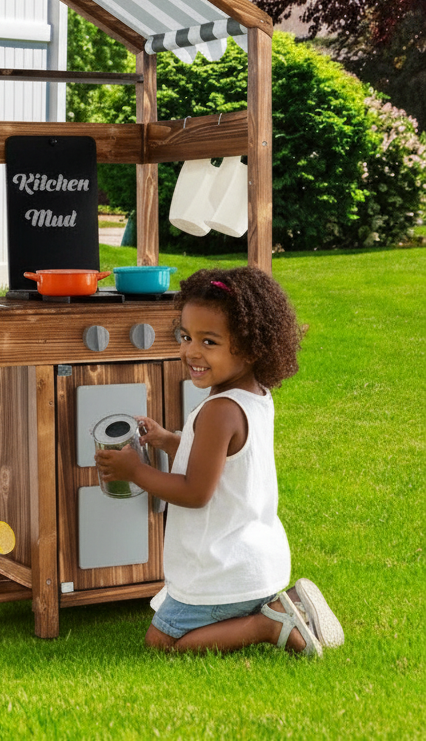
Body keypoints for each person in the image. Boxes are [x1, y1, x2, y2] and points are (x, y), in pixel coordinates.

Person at [95, 267, 344, 657]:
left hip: (221, 573)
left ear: (250, 348)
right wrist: (168, 441)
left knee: (162, 644)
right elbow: (225, 466)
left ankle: (269, 622)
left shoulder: (218, 410)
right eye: (186, 337)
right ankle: (282, 603)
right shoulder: (254, 396)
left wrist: (136, 472)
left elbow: (196, 492)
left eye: (209, 342)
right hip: (259, 564)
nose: (191, 351)